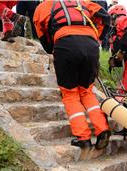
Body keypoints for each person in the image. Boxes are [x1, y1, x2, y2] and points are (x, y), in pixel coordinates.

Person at [33, 0, 111, 151]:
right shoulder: (83, 2)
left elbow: (41, 34)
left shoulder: (43, 7)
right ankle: (102, 129)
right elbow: (105, 17)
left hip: (65, 43)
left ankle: (83, 138)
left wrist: (52, 48)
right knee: (87, 91)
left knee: (70, 94)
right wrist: (97, 38)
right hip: (91, 45)